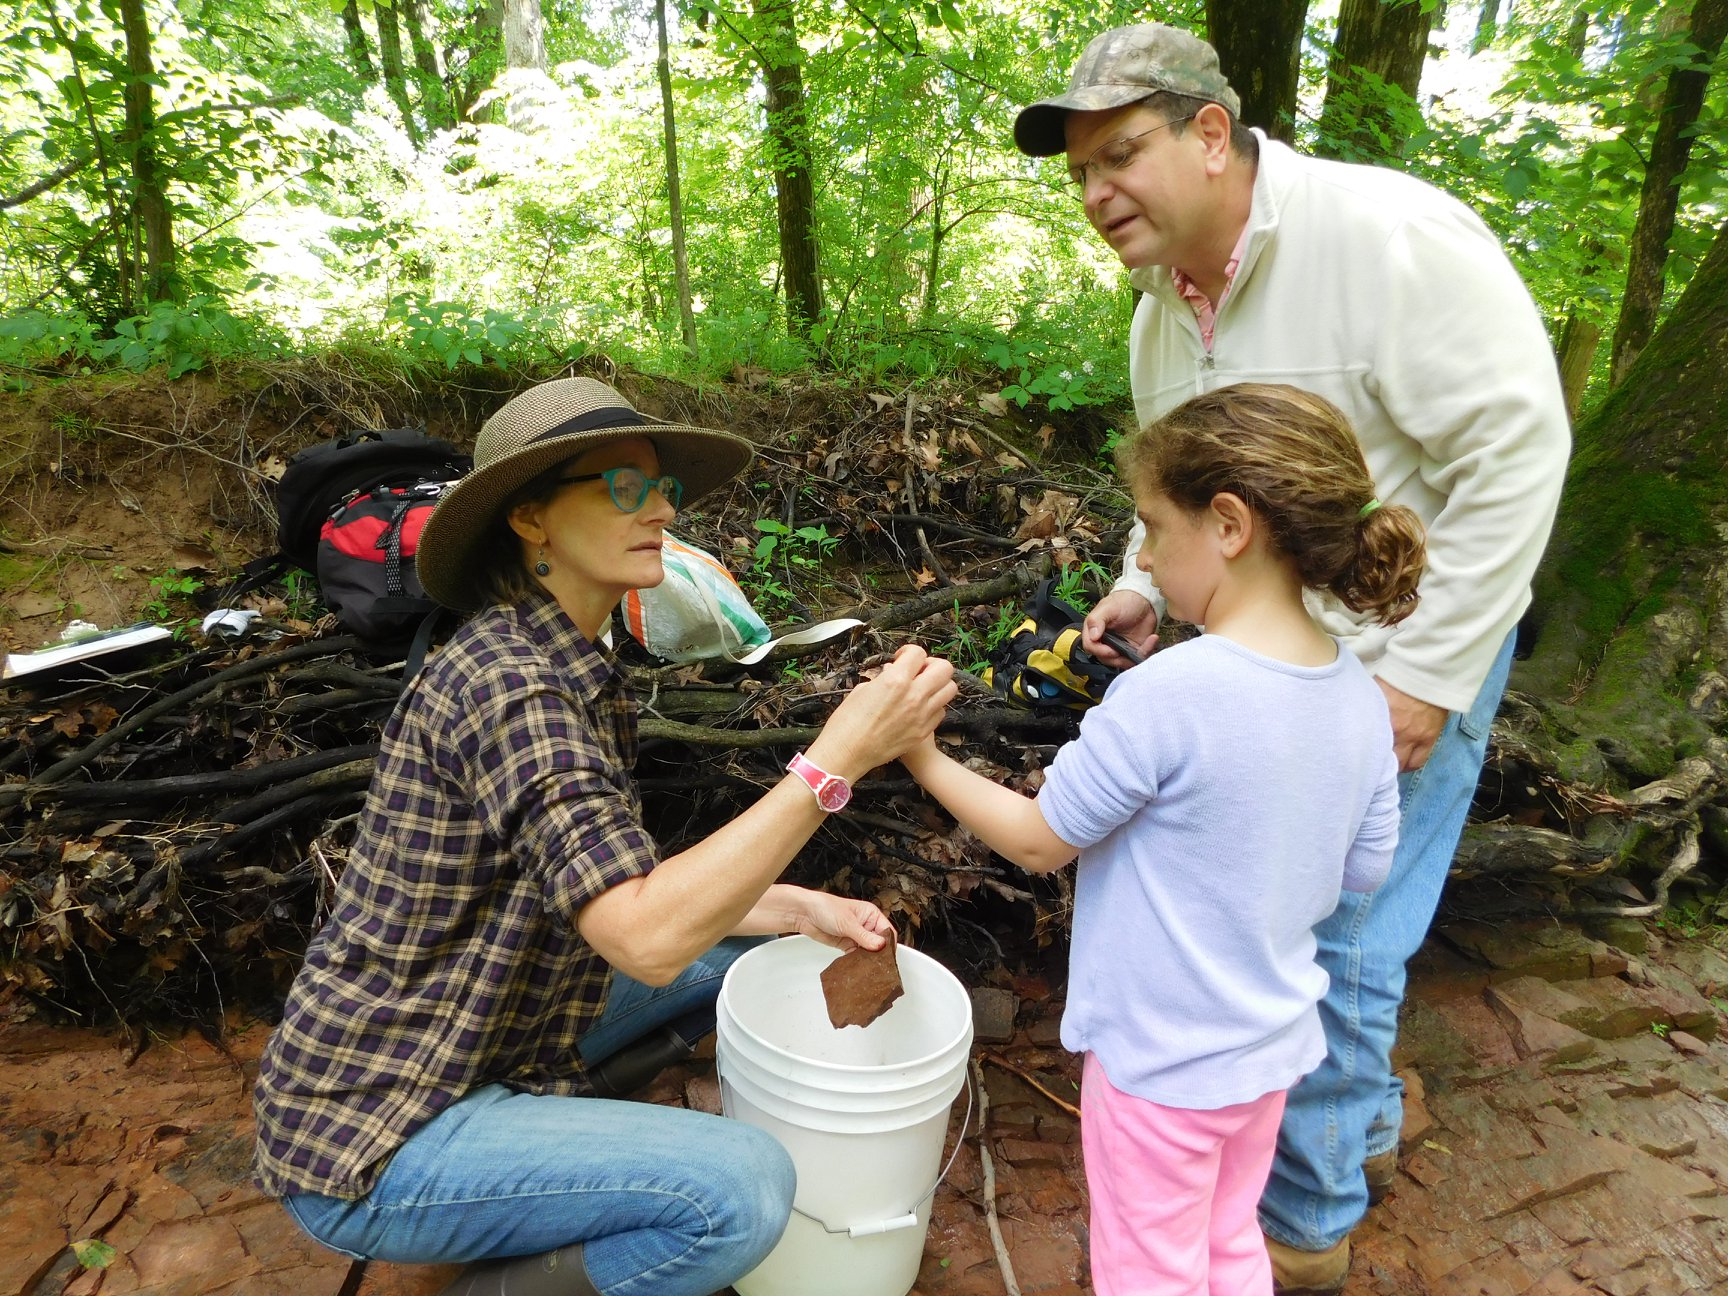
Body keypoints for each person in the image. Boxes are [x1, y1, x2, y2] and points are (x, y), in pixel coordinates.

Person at [1011, 23, 1572, 1291]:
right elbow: (1186, 487)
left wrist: (1425, 674)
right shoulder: (1163, 309)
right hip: (1261, 660)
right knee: (1290, 918)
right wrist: (1142, 585)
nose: (1098, 194)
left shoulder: (1386, 241)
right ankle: (1355, 1128)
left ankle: (1303, 1228)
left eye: (1121, 155)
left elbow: (1521, 453)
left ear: (1213, 134)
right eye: (1080, 173)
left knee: (1345, 931)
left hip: (1407, 642)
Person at [251, 376, 958, 1296]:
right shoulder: (516, 687)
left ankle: (550, 1161)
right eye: (625, 485)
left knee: (734, 959)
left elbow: (605, 877)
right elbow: (643, 934)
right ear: (533, 518)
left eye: (659, 485)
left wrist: (794, 907)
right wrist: (836, 760)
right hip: (381, 1123)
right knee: (742, 1191)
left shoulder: (561, 657)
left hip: (475, 1025)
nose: (661, 506)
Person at [904, 383, 1419, 1296]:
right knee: (1226, 1242)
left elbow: (1036, 841)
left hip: (1162, 1067)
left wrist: (920, 756)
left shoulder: (1169, 695)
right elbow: (1364, 869)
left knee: (1149, 1270)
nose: (1141, 556)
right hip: (1268, 1050)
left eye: (1149, 526)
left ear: (1228, 523)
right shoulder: (1356, 694)